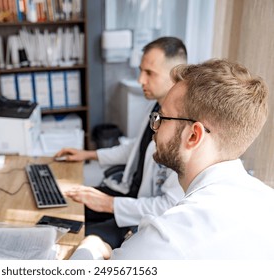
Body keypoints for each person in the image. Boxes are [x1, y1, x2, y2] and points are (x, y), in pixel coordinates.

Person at [71, 59, 274, 260]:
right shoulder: (266, 201)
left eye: (162, 118)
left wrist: (91, 248)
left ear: (193, 136)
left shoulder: (170, 237)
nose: (154, 128)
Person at [55, 37, 186, 248]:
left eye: (149, 73)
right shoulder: (155, 108)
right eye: (141, 70)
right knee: (66, 204)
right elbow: (135, 149)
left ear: (175, 74)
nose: (141, 80)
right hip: (128, 194)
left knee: (71, 237)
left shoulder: (182, 131)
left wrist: (108, 204)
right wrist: (88, 154)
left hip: (141, 214)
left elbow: (168, 207)